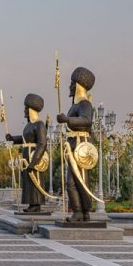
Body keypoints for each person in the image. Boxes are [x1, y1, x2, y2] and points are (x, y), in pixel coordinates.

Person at [57, 67, 96, 222]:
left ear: (78, 85)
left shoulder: (85, 104)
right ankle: (82, 211)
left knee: (75, 181)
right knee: (75, 181)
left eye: (72, 83)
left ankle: (80, 211)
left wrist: (67, 120)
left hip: (81, 146)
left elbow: (87, 121)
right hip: (73, 143)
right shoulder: (74, 106)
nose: (69, 87)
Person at [6, 93, 47, 213]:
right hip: (26, 157)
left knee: (35, 180)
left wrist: (34, 161)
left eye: (25, 108)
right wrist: (12, 138)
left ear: (31, 110)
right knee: (28, 182)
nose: (24, 111)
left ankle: (37, 204)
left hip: (34, 157)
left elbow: (42, 143)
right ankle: (31, 204)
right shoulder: (29, 125)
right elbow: (25, 139)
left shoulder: (39, 124)